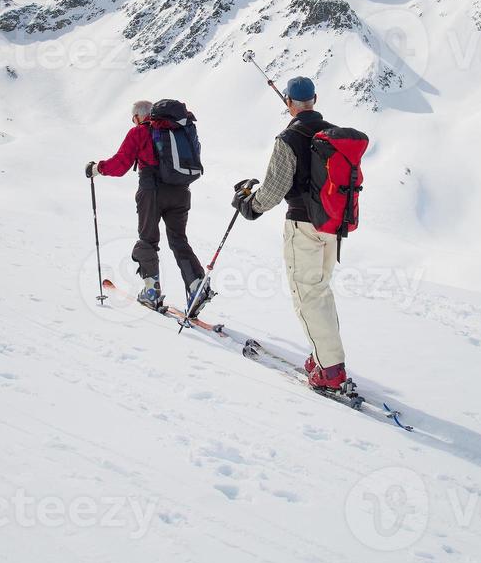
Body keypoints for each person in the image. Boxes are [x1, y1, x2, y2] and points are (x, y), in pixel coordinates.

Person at [231, 77, 350, 392]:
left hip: (303, 226)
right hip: (332, 227)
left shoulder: (289, 137)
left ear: (288, 103)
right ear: (315, 99)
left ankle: (331, 371)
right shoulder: (333, 133)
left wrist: (249, 206)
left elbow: (273, 189)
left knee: (308, 295)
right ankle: (324, 356)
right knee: (320, 291)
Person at [87, 100, 212, 315]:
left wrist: (97, 169)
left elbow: (120, 164)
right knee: (179, 240)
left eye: (133, 118)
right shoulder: (181, 129)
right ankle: (196, 287)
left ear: (139, 116)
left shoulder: (139, 132)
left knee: (147, 240)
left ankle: (151, 293)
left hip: (151, 192)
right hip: (181, 192)